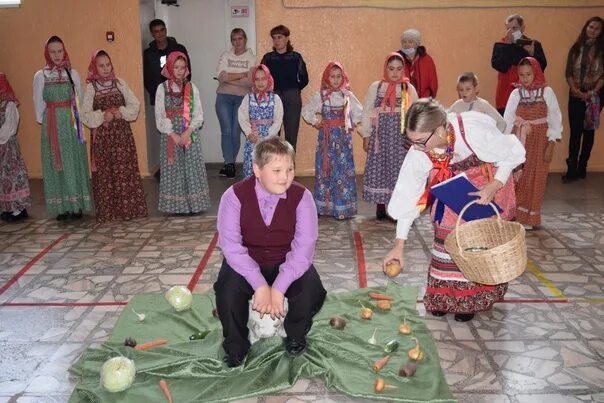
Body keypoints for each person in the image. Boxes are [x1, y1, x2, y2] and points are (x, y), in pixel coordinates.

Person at [384, 98, 525, 322]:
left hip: (487, 182)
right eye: (412, 141)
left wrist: (495, 185)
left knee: (474, 241)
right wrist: (398, 246)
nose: (417, 147)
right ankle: (443, 297)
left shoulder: (470, 129)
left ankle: (469, 299)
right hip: (454, 186)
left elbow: (511, 152)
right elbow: (408, 196)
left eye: (421, 141)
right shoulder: (420, 150)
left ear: (440, 130)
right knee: (446, 231)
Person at [213, 137, 327, 368]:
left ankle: (295, 334)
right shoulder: (233, 197)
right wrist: (260, 284)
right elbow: (231, 247)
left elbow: (304, 249)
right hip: (246, 262)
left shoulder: (302, 197)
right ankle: (236, 345)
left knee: (310, 287)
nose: (285, 177)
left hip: (287, 260)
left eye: (289, 169)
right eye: (276, 170)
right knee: (227, 287)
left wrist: (279, 287)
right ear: (257, 169)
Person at [80, 50, 148, 222]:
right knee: (105, 173)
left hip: (122, 137)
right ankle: (108, 211)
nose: (105, 69)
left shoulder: (119, 83)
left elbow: (135, 104)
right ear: (94, 67)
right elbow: (85, 114)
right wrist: (103, 116)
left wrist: (121, 112)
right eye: (101, 65)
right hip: (102, 139)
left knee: (124, 171)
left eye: (108, 64)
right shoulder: (91, 88)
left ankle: (128, 210)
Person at [33, 36, 93, 221]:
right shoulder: (40, 76)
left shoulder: (72, 73)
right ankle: (61, 207)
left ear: (64, 51)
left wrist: (76, 123)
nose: (57, 55)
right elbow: (39, 107)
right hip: (52, 126)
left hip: (71, 124)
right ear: (47, 53)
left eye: (60, 51)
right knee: (55, 165)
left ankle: (77, 206)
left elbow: (80, 102)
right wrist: (51, 125)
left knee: (74, 162)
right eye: (53, 52)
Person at [504, 57, 562, 229]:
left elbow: (554, 117)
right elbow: (507, 119)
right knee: (518, 177)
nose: (525, 78)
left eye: (529, 74)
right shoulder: (516, 93)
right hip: (519, 139)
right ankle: (516, 213)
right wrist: (506, 143)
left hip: (539, 141)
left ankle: (530, 217)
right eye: (521, 75)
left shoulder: (547, 92)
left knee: (536, 177)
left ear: (536, 72)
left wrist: (551, 144)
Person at [301, 61, 363, 220]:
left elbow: (359, 113)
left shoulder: (347, 96)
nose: (335, 80)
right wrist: (316, 121)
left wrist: (349, 122)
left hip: (342, 141)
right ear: (327, 77)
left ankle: (342, 207)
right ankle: (324, 206)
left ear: (343, 77)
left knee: (342, 171)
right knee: (325, 170)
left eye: (339, 76)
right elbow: (306, 110)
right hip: (326, 140)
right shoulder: (321, 95)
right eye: (332, 76)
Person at [360, 52, 418, 220]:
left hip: (401, 139)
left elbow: (415, 114)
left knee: (400, 171)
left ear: (404, 70)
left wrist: (414, 137)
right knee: (380, 168)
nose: (395, 73)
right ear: (385, 68)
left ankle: (398, 208)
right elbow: (367, 111)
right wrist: (366, 134)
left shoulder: (408, 88)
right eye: (391, 69)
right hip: (381, 137)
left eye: (399, 69)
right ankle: (380, 207)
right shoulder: (376, 87)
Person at [155, 51, 210, 215]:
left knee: (191, 166)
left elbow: (198, 113)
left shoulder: (191, 88)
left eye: (182, 67)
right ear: (169, 67)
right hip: (170, 135)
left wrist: (188, 132)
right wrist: (172, 134)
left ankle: (194, 204)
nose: (179, 70)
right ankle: (176, 205)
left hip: (189, 135)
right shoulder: (162, 88)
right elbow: (160, 114)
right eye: (175, 67)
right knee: (175, 168)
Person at [562, 16, 604, 182]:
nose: (593, 30)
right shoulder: (576, 48)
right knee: (575, 132)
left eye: (597, 28)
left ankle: (582, 167)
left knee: (588, 132)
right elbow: (568, 72)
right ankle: (572, 168)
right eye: (591, 27)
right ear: (586, 27)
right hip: (575, 95)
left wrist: (592, 92)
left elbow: (603, 75)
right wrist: (575, 90)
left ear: (601, 32)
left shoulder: (602, 51)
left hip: (595, 97)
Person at [215, 28, 256, 179]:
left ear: (245, 40)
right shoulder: (226, 55)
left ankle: (229, 164)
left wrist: (230, 76)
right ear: (231, 41)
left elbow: (250, 81)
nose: (237, 42)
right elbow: (221, 77)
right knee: (226, 130)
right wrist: (241, 75)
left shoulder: (251, 58)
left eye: (240, 39)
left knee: (235, 131)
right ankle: (229, 163)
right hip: (223, 97)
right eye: (234, 39)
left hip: (242, 99)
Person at [260, 25, 309, 150]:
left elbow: (304, 78)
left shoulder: (295, 57)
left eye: (280, 37)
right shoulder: (268, 58)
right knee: (272, 135)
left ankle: (289, 166)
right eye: (274, 38)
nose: (277, 41)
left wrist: (294, 90)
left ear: (287, 39)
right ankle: (273, 166)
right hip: (272, 98)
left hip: (292, 98)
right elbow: (261, 77)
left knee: (291, 135)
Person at [491, 14, 547, 115]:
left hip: (529, 97)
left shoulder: (533, 44)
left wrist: (532, 54)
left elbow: (541, 68)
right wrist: (507, 46)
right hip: (505, 97)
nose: (511, 32)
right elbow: (500, 66)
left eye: (514, 28)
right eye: (508, 28)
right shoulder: (501, 45)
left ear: (523, 28)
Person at [238, 64, 283, 178]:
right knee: (253, 168)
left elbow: (278, 120)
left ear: (269, 79)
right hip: (253, 139)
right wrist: (249, 133)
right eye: (257, 79)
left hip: (270, 141)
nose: (260, 82)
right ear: (253, 81)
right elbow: (242, 117)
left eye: (263, 79)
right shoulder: (248, 98)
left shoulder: (275, 99)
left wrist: (268, 136)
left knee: (269, 169)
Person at [0, 72, 31, 223]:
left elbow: (9, 127)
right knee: (2, 179)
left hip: (8, 148)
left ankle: (18, 209)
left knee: (12, 176)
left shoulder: (9, 104)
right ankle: (7, 208)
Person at [143, 19, 191, 105]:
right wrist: (156, 93)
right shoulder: (148, 54)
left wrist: (181, 89)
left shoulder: (179, 49)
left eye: (162, 30)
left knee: (182, 118)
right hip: (159, 97)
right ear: (152, 33)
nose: (160, 34)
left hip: (179, 95)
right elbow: (147, 78)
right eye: (156, 31)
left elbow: (187, 72)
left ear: (166, 30)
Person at [397, 29, 438, 98]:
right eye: (404, 42)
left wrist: (424, 100)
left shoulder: (427, 60)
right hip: (403, 102)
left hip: (423, 103)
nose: (407, 44)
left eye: (410, 42)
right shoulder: (397, 58)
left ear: (416, 44)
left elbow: (433, 83)